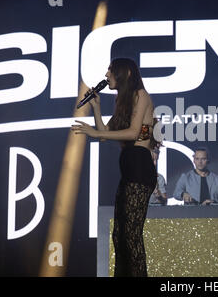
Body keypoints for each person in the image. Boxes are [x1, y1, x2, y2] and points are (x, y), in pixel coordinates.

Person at [71, 58, 158, 277]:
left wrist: (96, 132)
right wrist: (97, 108)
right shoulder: (123, 100)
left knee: (131, 235)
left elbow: (133, 133)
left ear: (126, 73)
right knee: (119, 235)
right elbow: (105, 133)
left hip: (140, 168)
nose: (107, 74)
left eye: (110, 70)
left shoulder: (141, 95)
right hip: (129, 171)